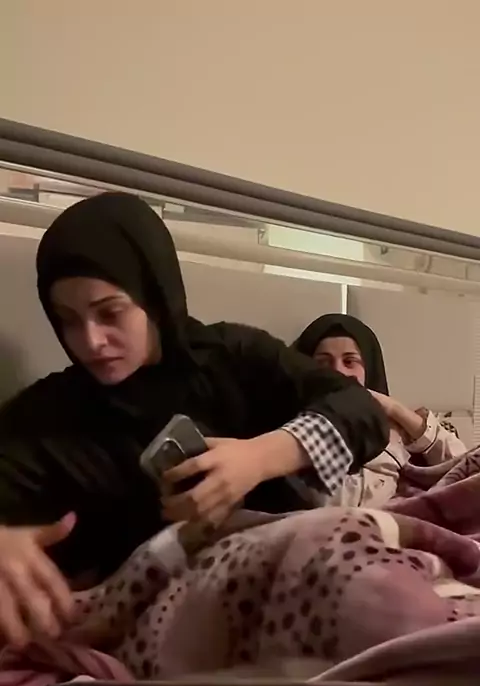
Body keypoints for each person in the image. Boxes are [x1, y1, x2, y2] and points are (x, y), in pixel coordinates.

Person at [0, 194, 388, 647]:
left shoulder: (234, 357)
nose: (90, 341)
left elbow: (362, 412)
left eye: (110, 313)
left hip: (297, 581)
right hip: (169, 627)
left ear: (153, 293)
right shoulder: (52, 415)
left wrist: (259, 458)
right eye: (68, 320)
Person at [293, 313, 466, 508]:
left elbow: (466, 472)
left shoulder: (395, 428)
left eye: (349, 362)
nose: (338, 371)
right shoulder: (286, 426)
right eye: (323, 363)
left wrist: (396, 410)